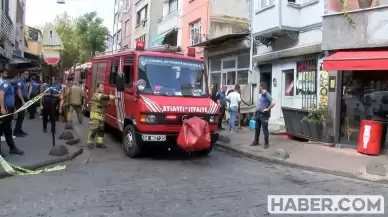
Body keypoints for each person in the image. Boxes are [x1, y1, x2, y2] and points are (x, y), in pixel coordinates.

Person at [0, 69, 24, 156]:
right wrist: (2, 108)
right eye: (17, 77)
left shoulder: (10, 84)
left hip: (8, 109)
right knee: (2, 129)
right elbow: (1, 94)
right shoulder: (6, 83)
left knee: (7, 130)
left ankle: (12, 148)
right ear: (15, 76)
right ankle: (11, 148)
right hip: (5, 109)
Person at [87, 83, 117, 149]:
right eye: (101, 87)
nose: (102, 88)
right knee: (94, 129)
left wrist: (110, 101)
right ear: (97, 88)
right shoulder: (96, 95)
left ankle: (99, 143)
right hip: (95, 115)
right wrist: (110, 96)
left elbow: (106, 104)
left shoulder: (102, 96)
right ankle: (90, 142)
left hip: (101, 116)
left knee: (101, 130)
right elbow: (102, 97)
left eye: (103, 87)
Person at [251, 82, 276, 149]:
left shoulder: (266, 94)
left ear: (262, 87)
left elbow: (274, 102)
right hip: (259, 114)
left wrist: (268, 109)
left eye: (260, 87)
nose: (259, 88)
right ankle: (256, 141)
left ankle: (266, 143)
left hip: (264, 115)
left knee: (265, 129)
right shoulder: (262, 95)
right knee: (257, 128)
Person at [13, 71, 29, 137]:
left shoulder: (23, 81)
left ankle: (19, 130)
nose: (28, 75)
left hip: (22, 100)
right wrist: (22, 100)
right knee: (20, 116)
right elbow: (19, 91)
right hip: (19, 100)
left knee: (22, 116)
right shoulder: (19, 81)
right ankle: (16, 132)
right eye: (26, 74)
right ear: (22, 74)